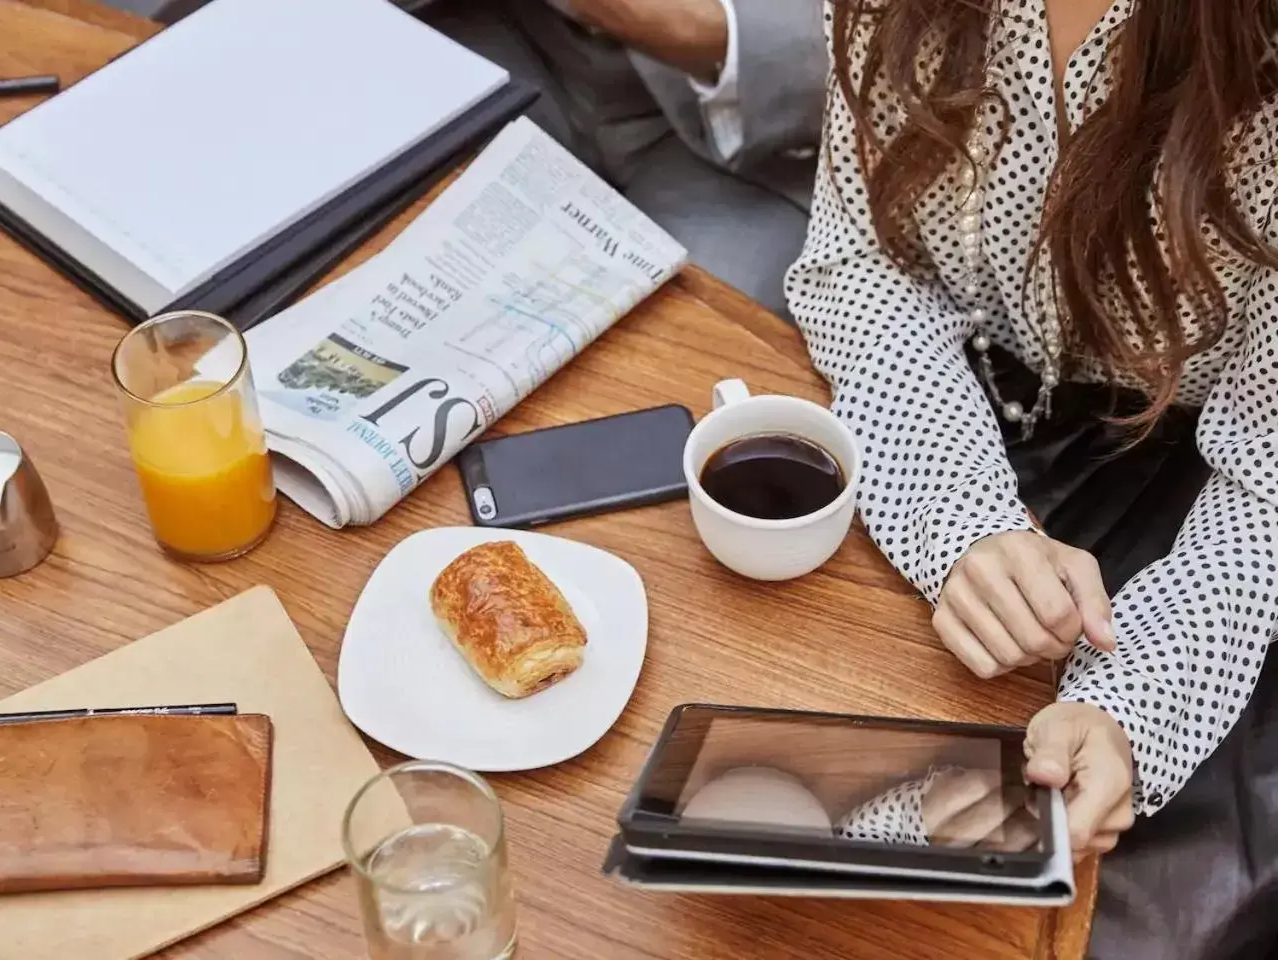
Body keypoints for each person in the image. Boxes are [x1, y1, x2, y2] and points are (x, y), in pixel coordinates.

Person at [785, 1, 1278, 957]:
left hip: (1211, 519)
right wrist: (959, 512)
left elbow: (1269, 469)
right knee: (814, 836)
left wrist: (1135, 707)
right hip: (956, 413)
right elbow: (863, 263)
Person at [418, 0, 826, 317]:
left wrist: (715, 32)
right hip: (510, 44)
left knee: (693, 332)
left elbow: (877, 64)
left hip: (760, 137)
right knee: (409, 234)